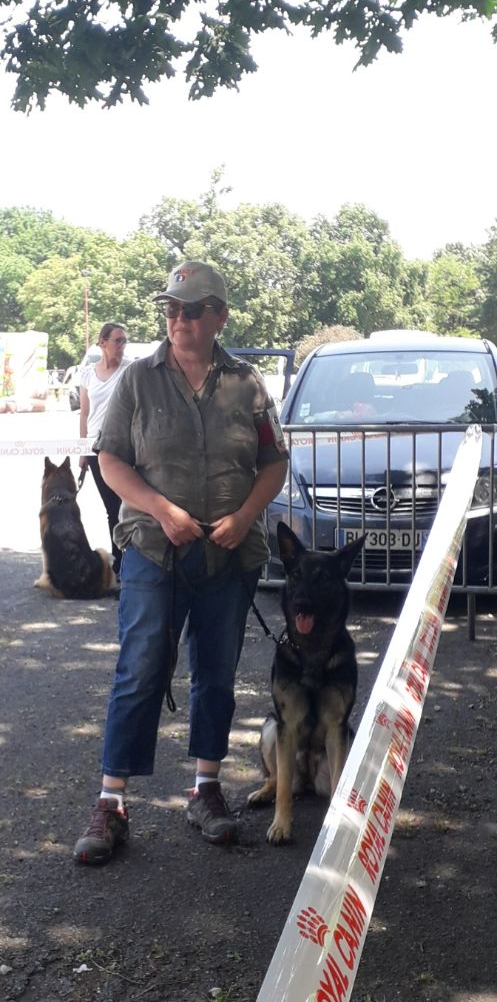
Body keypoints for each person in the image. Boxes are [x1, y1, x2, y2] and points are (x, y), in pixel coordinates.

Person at [73, 261, 288, 864]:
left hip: (229, 555)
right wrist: (161, 509)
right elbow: (111, 460)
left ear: (220, 315)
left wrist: (245, 516)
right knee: (140, 668)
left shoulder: (247, 384)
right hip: (153, 550)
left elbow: (274, 462)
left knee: (216, 673)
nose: (178, 318)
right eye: (170, 308)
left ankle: (205, 790)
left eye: (191, 309)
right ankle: (111, 802)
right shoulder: (137, 380)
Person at [79, 323, 130, 577]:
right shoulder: (87, 374)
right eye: (117, 340)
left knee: (127, 505)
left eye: (124, 341)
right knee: (111, 507)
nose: (122, 346)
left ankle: (131, 560)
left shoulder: (130, 370)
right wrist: (81, 450)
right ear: (102, 342)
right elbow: (84, 413)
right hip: (94, 448)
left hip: (122, 448)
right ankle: (119, 561)